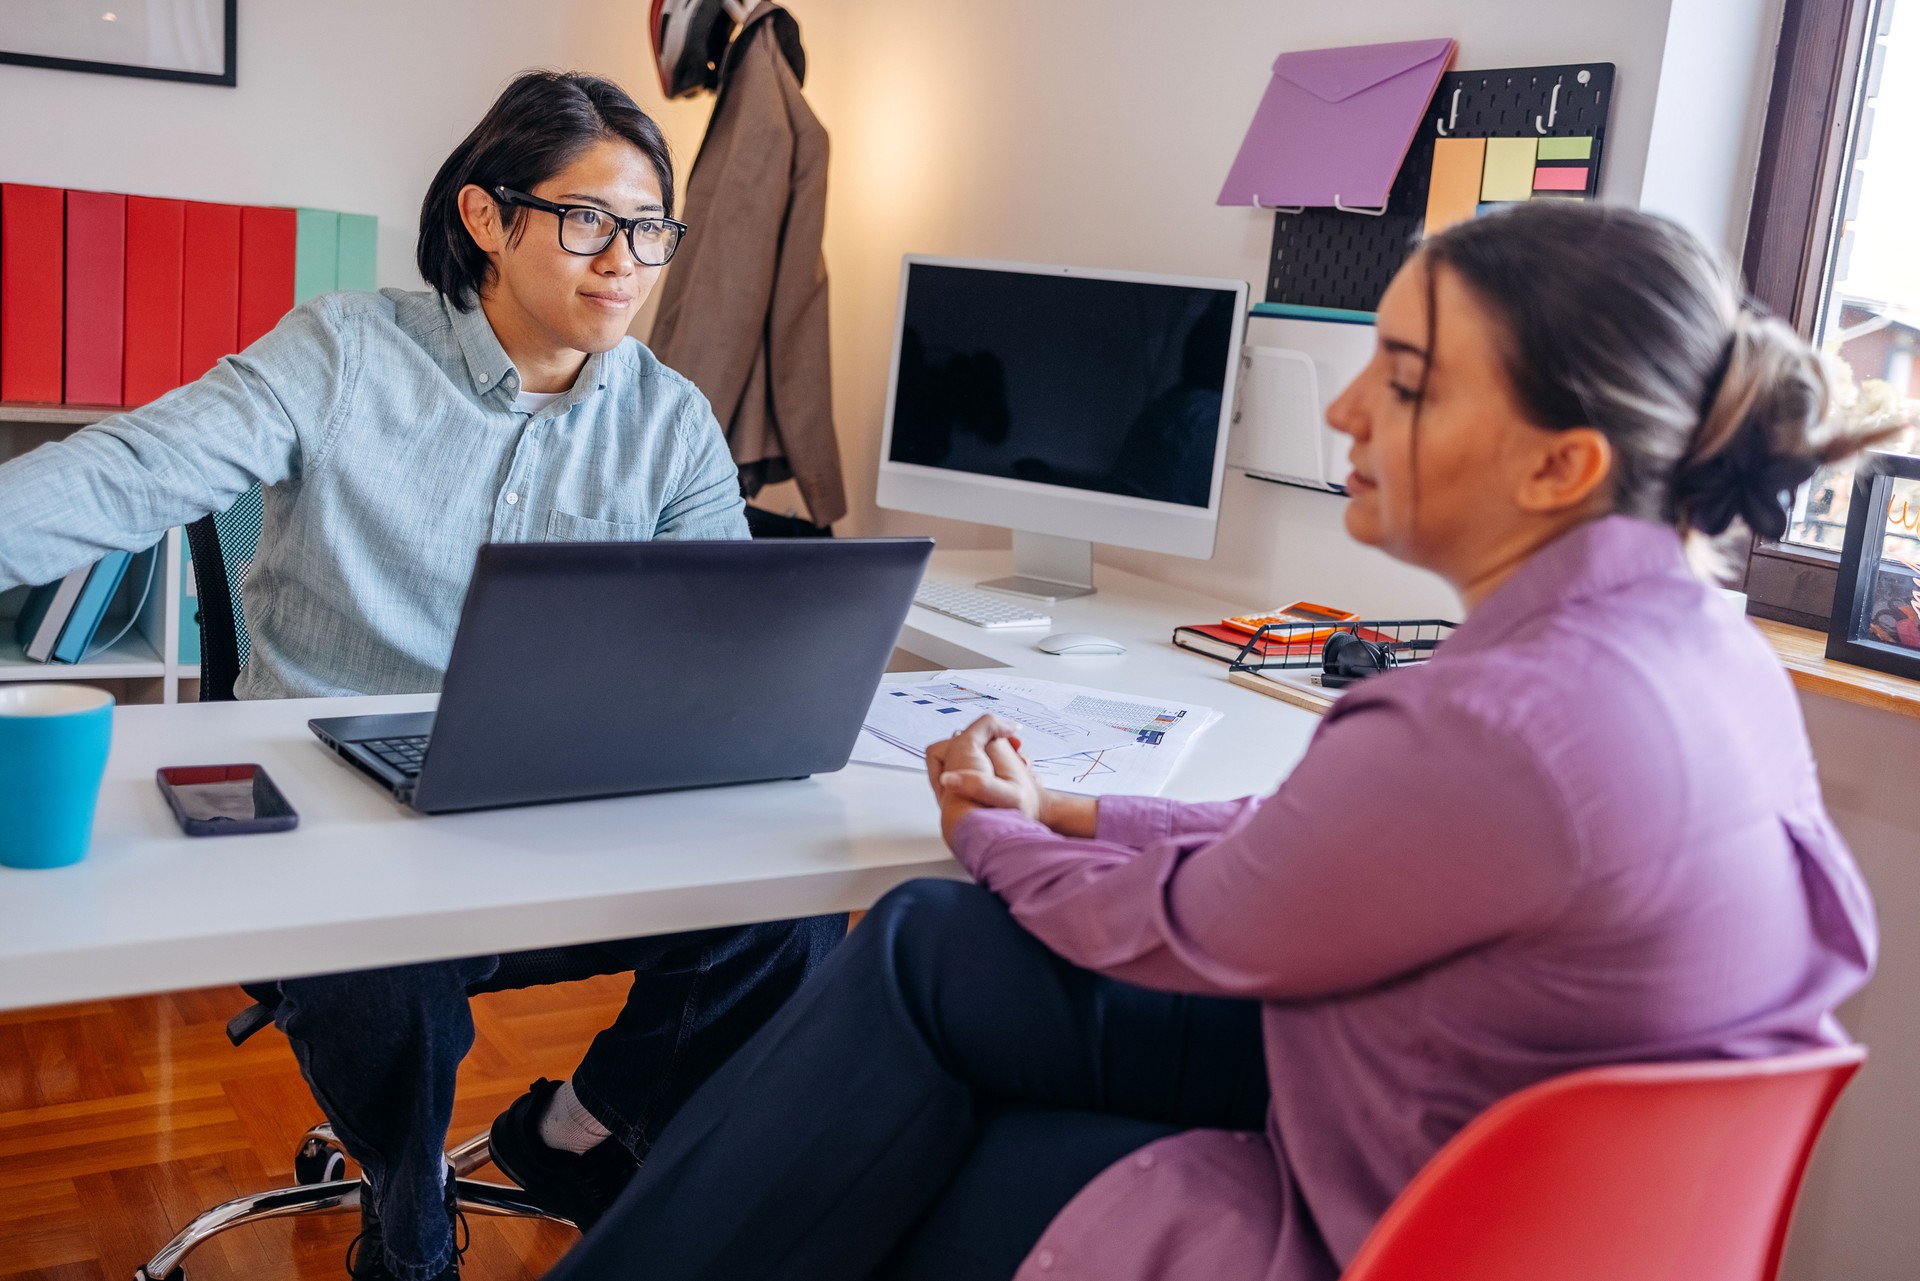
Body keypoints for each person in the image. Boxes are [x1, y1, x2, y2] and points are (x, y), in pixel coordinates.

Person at [541, 201, 1883, 1281]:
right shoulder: (1702, 652)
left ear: (1561, 467)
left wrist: (990, 830)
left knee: (916, 1115)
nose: (1348, 410)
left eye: (1405, 382)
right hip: (1501, 1161)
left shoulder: (1502, 720)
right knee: (926, 942)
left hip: (1402, 1217)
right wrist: (1074, 813)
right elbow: (1315, 848)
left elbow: (1202, 923)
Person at [0, 72, 845, 1281]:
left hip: (553, 818)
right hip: (328, 826)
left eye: (651, 229)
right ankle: (407, 1230)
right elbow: (129, 470)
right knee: (373, 948)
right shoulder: (342, 353)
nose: (627, 261)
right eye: (590, 219)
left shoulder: (670, 421)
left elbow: (726, 646)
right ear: (486, 218)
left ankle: (571, 1136)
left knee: (794, 914)